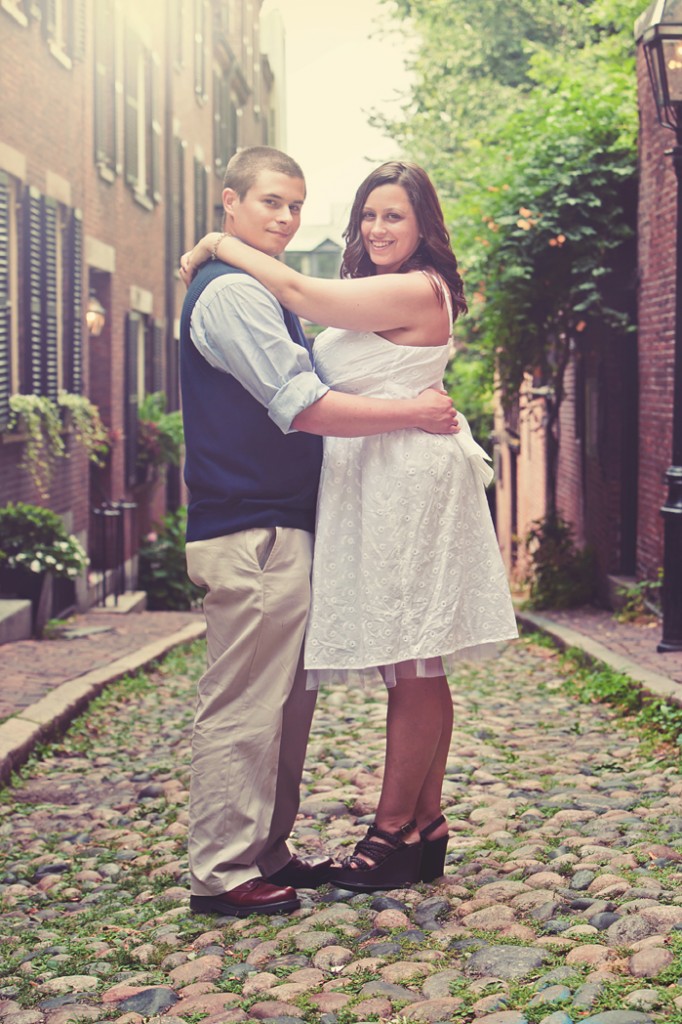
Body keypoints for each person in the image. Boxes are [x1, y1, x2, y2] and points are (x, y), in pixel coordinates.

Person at [182, 160, 519, 893]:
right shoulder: (372, 290)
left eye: (394, 216)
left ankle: (394, 830)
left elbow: (299, 292)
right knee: (414, 658)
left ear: (425, 226)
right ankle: (424, 825)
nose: (376, 228)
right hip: (377, 479)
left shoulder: (413, 286)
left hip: (406, 479)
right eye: (367, 215)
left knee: (415, 659)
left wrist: (215, 241)